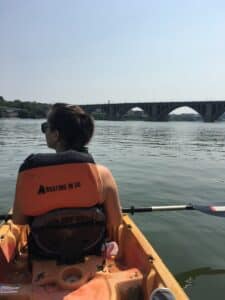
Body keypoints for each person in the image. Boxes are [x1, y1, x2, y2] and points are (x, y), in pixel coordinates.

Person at [12, 103, 122, 262]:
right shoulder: (102, 174)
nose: (44, 131)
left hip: (43, 257)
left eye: (45, 127)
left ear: (56, 134)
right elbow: (115, 222)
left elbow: (18, 221)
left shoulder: (30, 173)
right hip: (90, 255)